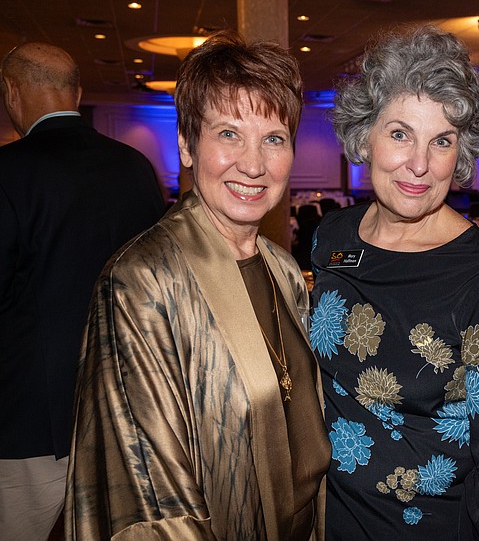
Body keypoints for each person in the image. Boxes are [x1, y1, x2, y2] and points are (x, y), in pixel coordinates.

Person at [65, 30, 330, 539]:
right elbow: (151, 495)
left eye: (274, 138)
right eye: (229, 134)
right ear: (186, 145)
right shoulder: (140, 284)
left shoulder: (283, 270)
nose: (253, 164)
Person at [310, 25, 479, 539]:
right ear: (364, 136)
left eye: (442, 141)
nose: (420, 164)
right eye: (400, 134)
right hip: (331, 517)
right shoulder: (333, 237)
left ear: (461, 154)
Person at [0, 42, 165, 540]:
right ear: (76, 93)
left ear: (11, 92)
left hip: (30, 415)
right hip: (127, 406)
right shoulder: (136, 167)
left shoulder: (9, 171)